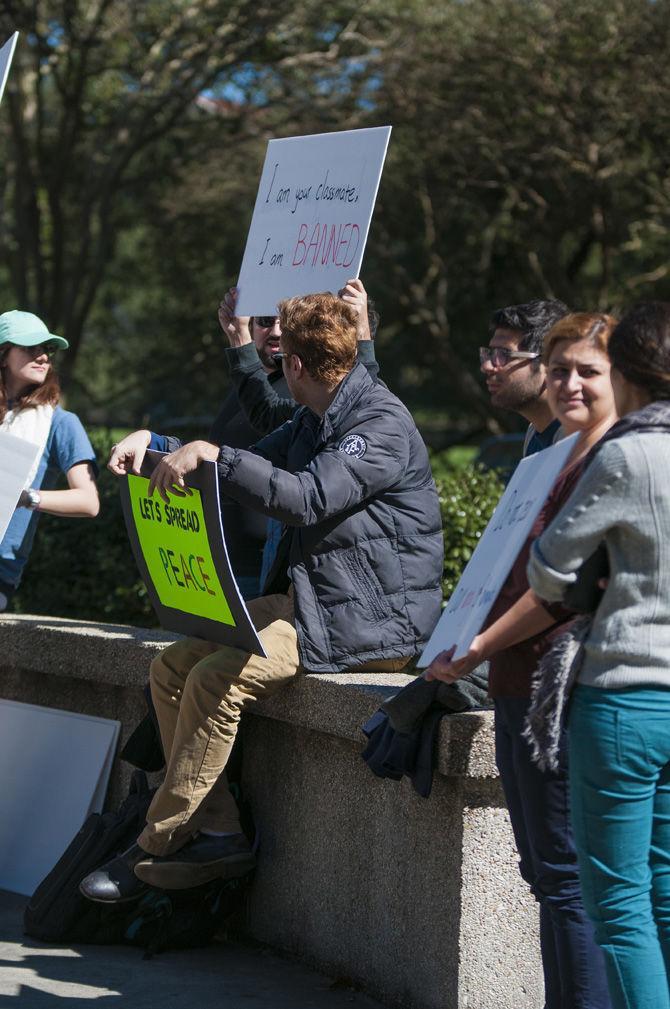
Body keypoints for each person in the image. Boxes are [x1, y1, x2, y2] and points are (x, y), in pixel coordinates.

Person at [81, 291, 443, 902]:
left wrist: (215, 455)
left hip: (374, 625)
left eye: (283, 361)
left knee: (215, 679)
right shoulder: (314, 418)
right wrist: (160, 448)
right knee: (170, 666)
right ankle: (220, 830)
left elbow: (304, 498)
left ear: (298, 366)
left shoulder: (380, 424)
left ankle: (155, 841)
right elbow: (241, 466)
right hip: (320, 603)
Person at [427, 313, 618, 1008]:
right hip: (515, 685)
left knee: (571, 880)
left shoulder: (613, 461)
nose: (570, 382)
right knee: (544, 874)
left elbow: (562, 587)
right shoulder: (549, 455)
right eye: (561, 367)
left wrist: (475, 644)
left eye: (585, 370)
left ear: (619, 378)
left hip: (567, 691)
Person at [528, 301, 670, 1009]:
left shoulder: (627, 454)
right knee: (667, 891)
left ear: (632, 374)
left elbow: (549, 570)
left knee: (616, 905)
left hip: (624, 696)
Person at [0, 310, 99, 611]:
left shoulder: (61, 423)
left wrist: (26, 497)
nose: (43, 356)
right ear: (3, 355)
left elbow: (88, 501)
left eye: (47, 349)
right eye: (31, 348)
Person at [483, 299, 569, 455]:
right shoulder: (535, 433)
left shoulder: (577, 442)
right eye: (490, 354)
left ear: (549, 363)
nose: (487, 366)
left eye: (503, 354)